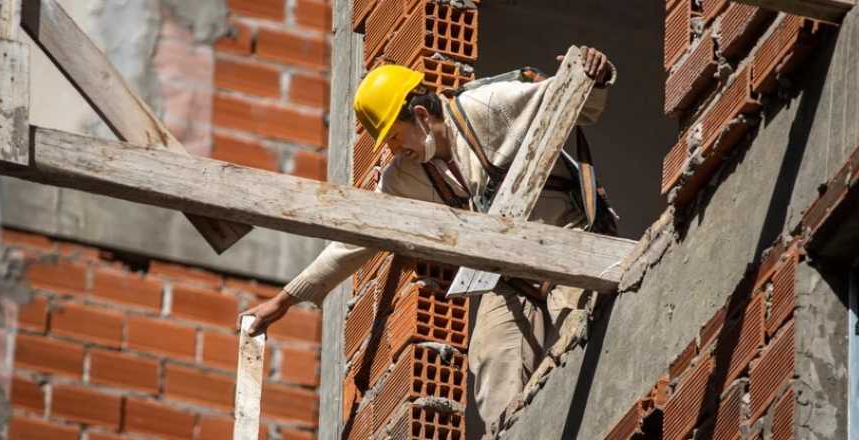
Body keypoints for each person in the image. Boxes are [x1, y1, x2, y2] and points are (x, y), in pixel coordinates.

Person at [242, 47, 616, 430]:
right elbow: (355, 240)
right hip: (512, 279)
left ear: (420, 115)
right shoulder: (405, 176)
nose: (393, 150)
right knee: (492, 364)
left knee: (576, 338)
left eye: (394, 136)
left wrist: (595, 73)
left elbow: (577, 103)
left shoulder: (488, 107)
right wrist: (284, 301)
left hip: (568, 245)